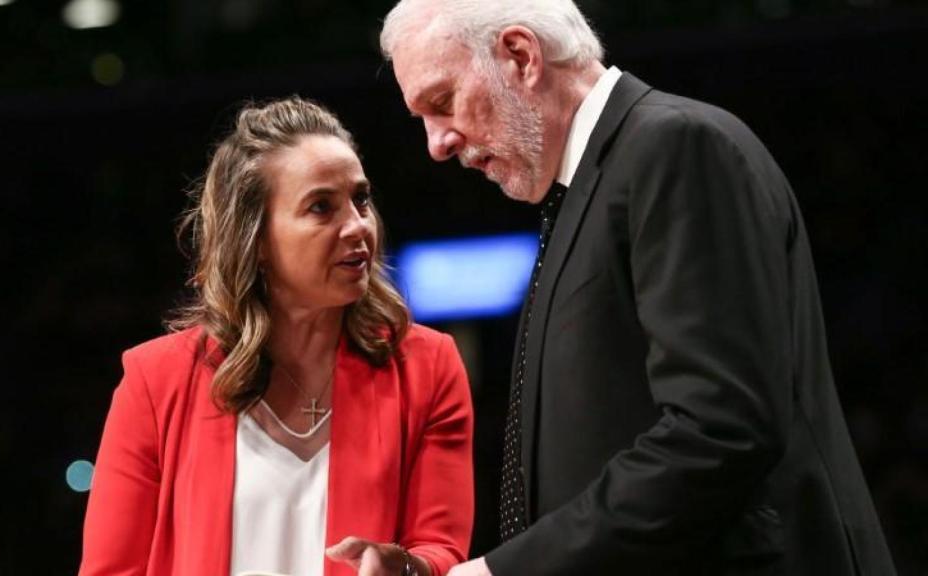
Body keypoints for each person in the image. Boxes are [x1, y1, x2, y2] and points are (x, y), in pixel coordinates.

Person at [379, 1, 896, 575]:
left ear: (521, 56)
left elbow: (718, 430)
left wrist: (502, 572)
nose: (436, 143)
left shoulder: (674, 147)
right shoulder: (591, 183)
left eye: (441, 102)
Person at [78, 97, 474, 576]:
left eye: (361, 199)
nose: (357, 225)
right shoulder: (156, 381)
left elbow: (442, 550)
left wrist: (407, 569)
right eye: (321, 207)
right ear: (257, 240)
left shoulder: (427, 366)